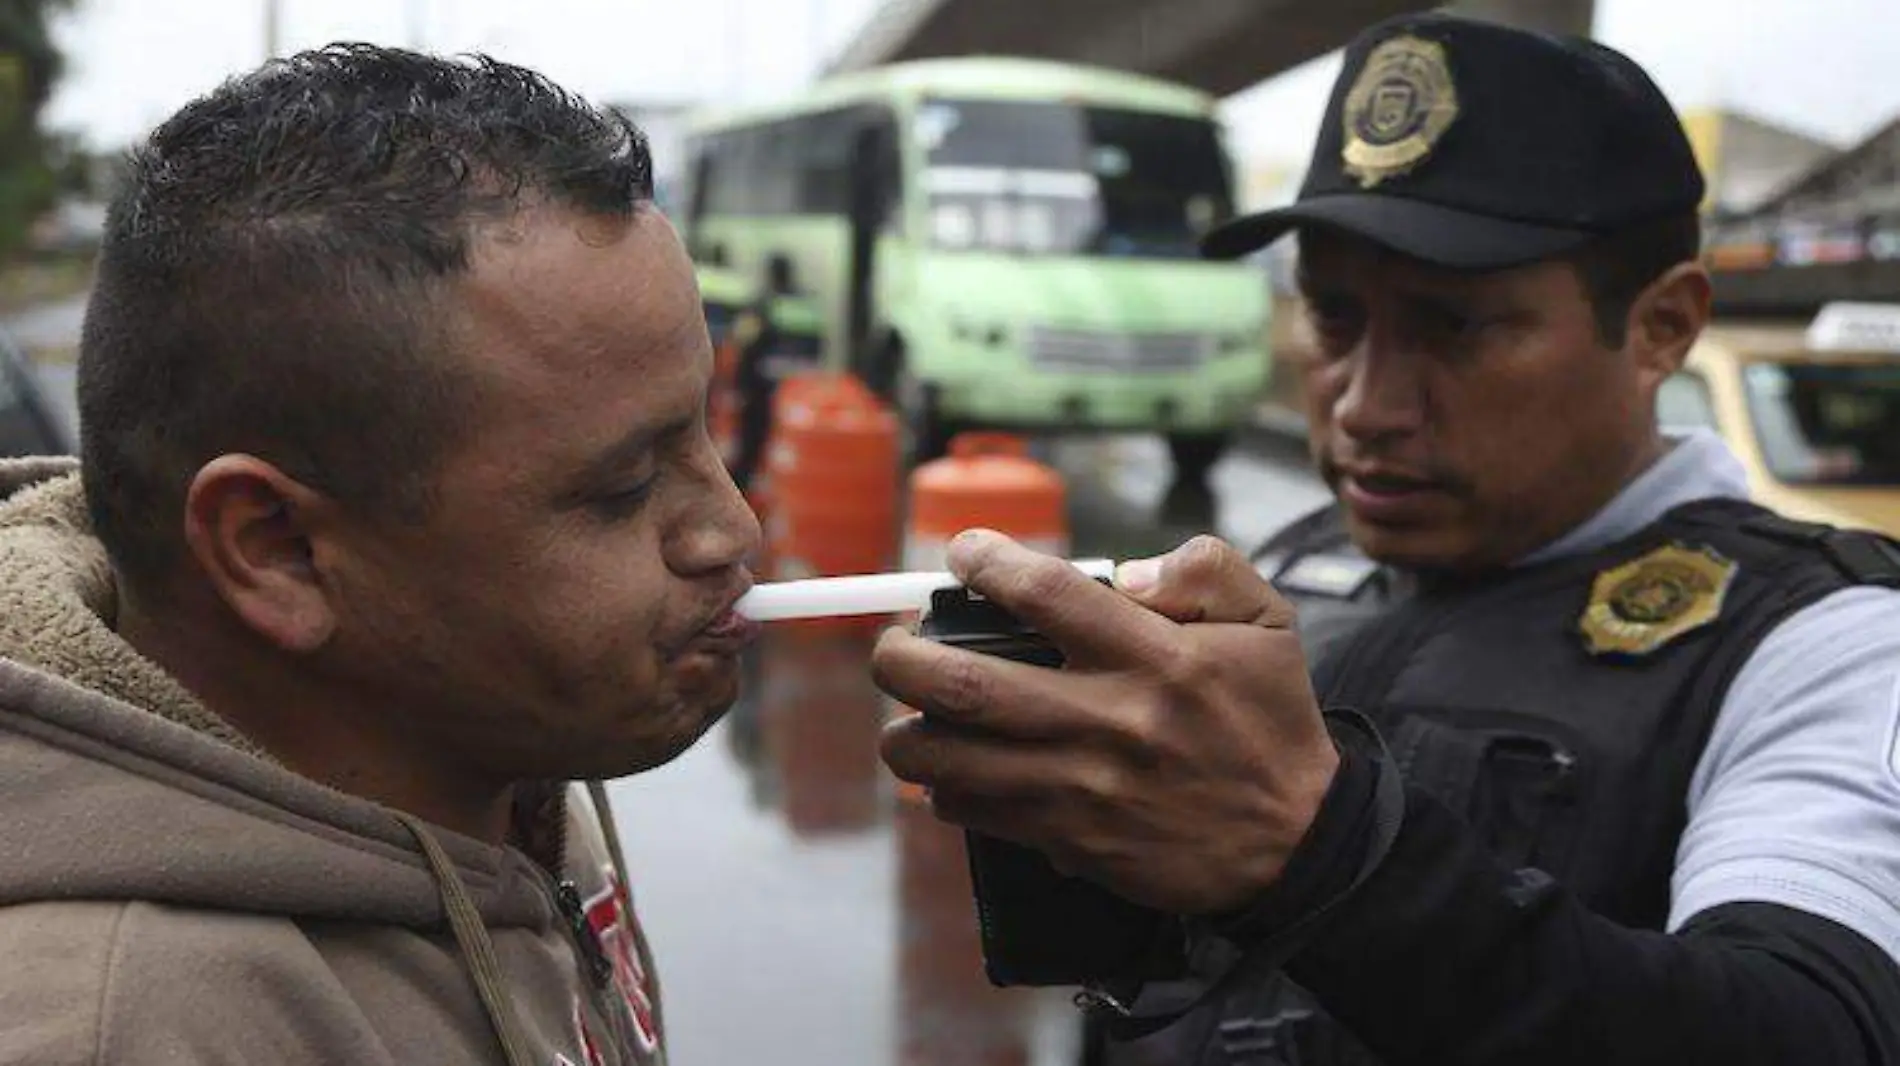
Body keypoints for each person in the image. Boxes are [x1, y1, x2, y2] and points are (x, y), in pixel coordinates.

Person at [872, 13, 1900, 1065]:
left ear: (1660, 327)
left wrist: (1318, 848)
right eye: (1331, 318)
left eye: (1454, 326)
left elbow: (1814, 1027)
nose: (1364, 404)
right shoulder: (1307, 557)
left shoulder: (1823, 642)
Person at [0, 45, 760, 1066]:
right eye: (621, 487)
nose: (732, 529)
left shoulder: (493, 763)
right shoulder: (131, 1026)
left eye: (702, 434)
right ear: (278, 549)